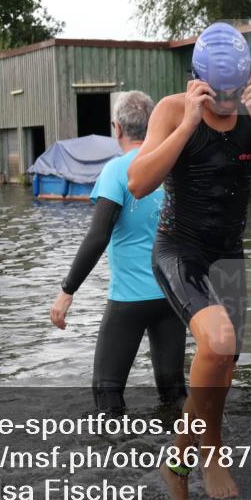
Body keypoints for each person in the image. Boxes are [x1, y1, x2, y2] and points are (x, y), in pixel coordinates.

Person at [128, 22, 251, 500]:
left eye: (235, 93)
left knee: (220, 371)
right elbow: (137, 183)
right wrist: (189, 123)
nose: (227, 103)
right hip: (179, 251)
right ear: (199, 82)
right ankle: (212, 452)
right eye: (218, 94)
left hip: (227, 255)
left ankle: (176, 464)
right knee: (219, 342)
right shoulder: (172, 110)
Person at [49, 91, 186, 413]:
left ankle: (122, 458)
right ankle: (189, 452)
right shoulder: (174, 166)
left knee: (107, 393)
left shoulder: (117, 170)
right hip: (173, 297)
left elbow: (98, 235)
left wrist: (67, 290)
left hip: (129, 299)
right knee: (173, 392)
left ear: (117, 128)